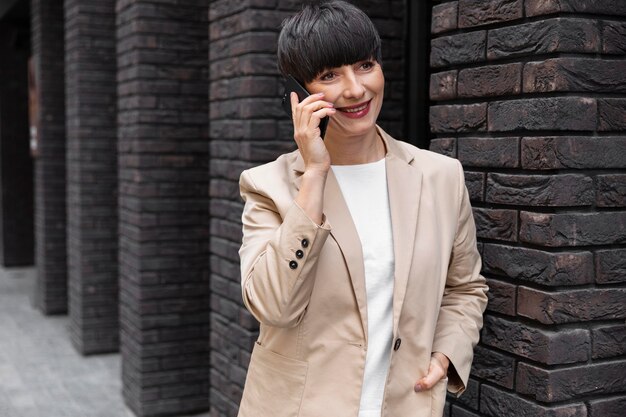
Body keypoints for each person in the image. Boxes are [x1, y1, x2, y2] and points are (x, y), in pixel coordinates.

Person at [236, 1, 488, 416]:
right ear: (297, 96)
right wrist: (314, 173)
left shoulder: (440, 176)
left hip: (406, 403)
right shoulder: (269, 186)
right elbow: (272, 305)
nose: (355, 89)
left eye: (365, 65)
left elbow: (465, 287)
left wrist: (447, 352)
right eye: (330, 75)